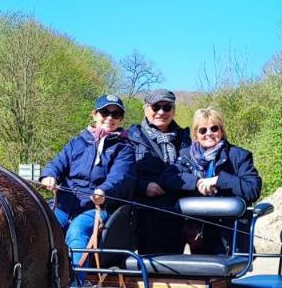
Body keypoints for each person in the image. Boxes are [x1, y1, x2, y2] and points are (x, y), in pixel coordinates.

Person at [39, 95, 136, 264]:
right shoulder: (77, 142)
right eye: (105, 112)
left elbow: (120, 177)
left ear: (121, 119)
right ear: (94, 114)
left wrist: (104, 191)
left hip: (98, 208)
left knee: (77, 230)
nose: (110, 118)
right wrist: (49, 176)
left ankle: (76, 284)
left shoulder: (125, 149)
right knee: (41, 225)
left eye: (116, 114)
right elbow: (57, 163)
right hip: (64, 205)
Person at [170, 106, 262, 255]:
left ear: (222, 131)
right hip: (198, 235)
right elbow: (169, 178)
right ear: (196, 134)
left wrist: (219, 180)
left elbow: (253, 189)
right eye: (203, 130)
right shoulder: (185, 156)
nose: (209, 134)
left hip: (231, 236)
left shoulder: (240, 156)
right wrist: (196, 182)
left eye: (214, 128)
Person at [125, 88, 192, 253]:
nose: (161, 112)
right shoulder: (129, 137)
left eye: (167, 107)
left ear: (174, 110)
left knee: (176, 269)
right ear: (146, 109)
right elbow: (120, 175)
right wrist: (143, 187)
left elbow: (192, 170)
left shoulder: (186, 138)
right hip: (143, 217)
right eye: (156, 107)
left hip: (178, 216)